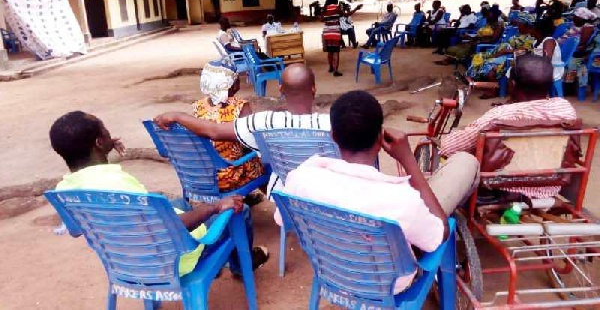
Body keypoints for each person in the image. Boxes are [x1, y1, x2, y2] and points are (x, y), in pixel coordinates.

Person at [275, 90, 479, 292]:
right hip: (390, 285)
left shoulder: (301, 178)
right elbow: (439, 235)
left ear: (334, 136)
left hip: (332, 273)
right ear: (380, 137)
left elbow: (283, 219)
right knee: (465, 163)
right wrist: (408, 161)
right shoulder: (401, 199)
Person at [50, 111, 269, 275]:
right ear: (98, 142)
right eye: (105, 132)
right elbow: (170, 227)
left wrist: (106, 148)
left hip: (125, 262)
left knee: (176, 204)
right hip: (169, 259)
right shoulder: (118, 183)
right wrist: (215, 206)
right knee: (240, 209)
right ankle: (242, 265)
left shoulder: (64, 190)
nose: (110, 134)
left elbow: (76, 230)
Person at [441, 55, 577, 197]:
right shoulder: (566, 110)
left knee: (460, 156)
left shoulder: (501, 115)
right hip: (551, 186)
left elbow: (448, 147)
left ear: (512, 84)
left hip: (501, 191)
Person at [155, 63, 330, 156]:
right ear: (314, 88)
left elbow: (214, 130)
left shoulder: (262, 121)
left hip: (285, 195)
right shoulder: (332, 123)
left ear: (280, 89)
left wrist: (177, 115)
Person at [194, 61, 265, 192]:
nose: (239, 82)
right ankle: (273, 200)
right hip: (229, 175)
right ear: (230, 86)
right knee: (264, 160)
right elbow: (250, 140)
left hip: (204, 175)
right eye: (236, 79)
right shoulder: (240, 106)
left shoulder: (197, 107)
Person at [437, 6, 504, 64]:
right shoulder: (488, 24)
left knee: (461, 50)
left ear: (494, 15)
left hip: (484, 44)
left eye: (489, 14)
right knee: (453, 48)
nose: (487, 15)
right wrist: (470, 37)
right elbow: (480, 35)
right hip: (476, 41)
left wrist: (479, 41)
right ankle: (451, 59)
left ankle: (451, 60)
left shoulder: (498, 26)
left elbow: (493, 40)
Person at [563, 8, 598, 91]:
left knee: (571, 64)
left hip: (580, 53)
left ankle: (569, 85)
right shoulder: (580, 26)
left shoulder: (587, 28)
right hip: (576, 51)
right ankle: (571, 85)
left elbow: (582, 44)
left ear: (582, 18)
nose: (573, 18)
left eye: (576, 16)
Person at [321, 0, 344, 76]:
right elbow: (345, 15)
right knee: (336, 52)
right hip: (335, 32)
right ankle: (335, 70)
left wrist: (328, 18)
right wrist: (356, 8)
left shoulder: (324, 8)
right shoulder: (337, 8)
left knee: (330, 51)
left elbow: (321, 19)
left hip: (327, 32)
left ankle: (330, 67)